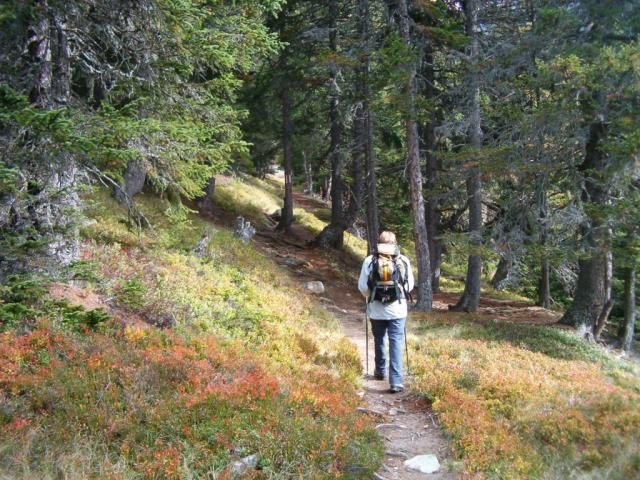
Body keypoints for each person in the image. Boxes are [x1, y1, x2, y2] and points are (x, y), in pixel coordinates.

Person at [358, 231, 414, 393]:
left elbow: (363, 287)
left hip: (376, 309)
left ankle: (380, 371)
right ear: (394, 243)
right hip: (397, 309)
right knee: (396, 341)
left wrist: (372, 296)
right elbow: (409, 286)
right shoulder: (403, 260)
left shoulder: (370, 260)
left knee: (379, 338)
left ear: (379, 242)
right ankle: (396, 382)